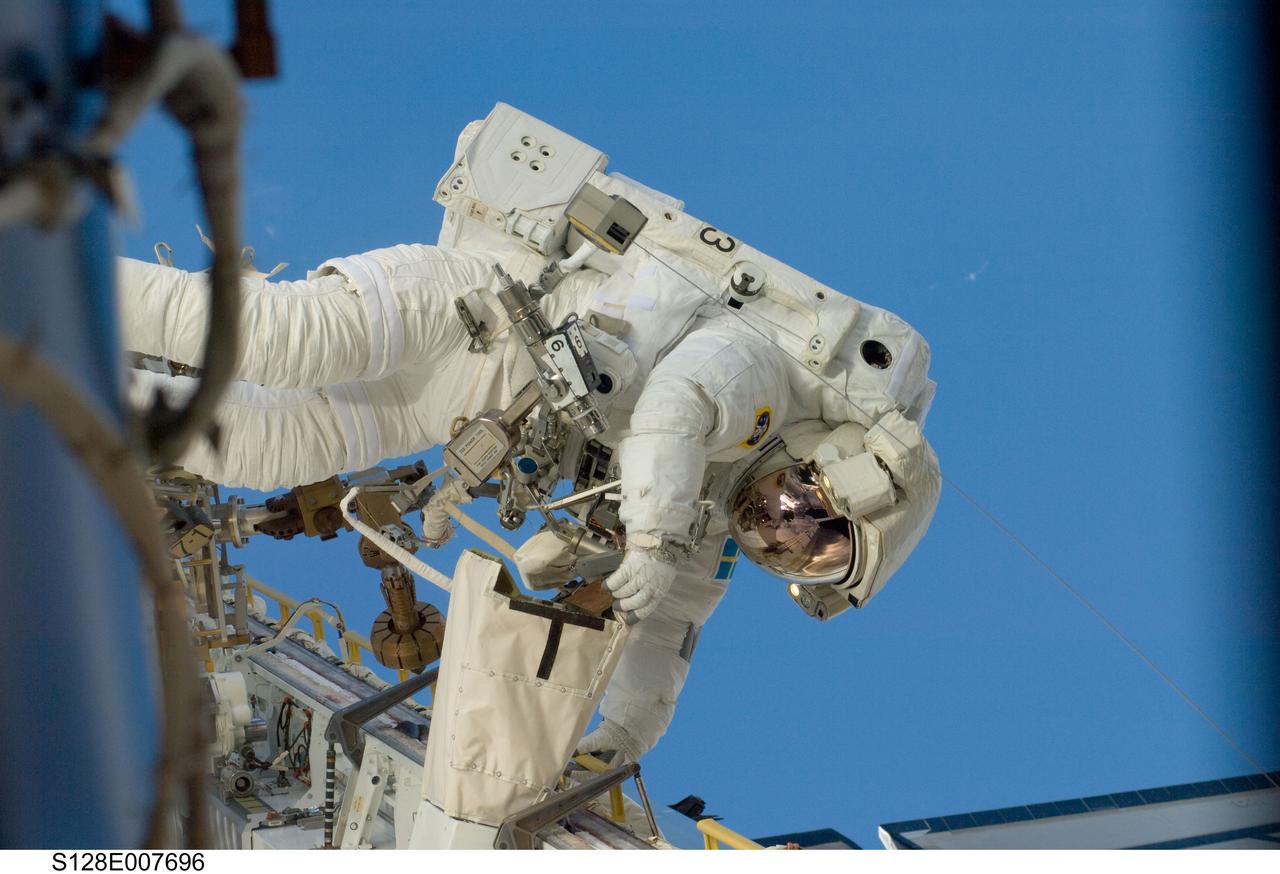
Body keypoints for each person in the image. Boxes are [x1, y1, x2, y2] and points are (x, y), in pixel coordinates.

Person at [120, 105, 941, 763]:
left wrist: (612, 749)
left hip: (455, 413)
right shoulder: (761, 381)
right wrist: (650, 542)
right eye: (810, 515)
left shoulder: (701, 525)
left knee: (267, 446)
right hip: (476, 317)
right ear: (829, 463)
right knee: (277, 338)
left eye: (801, 554)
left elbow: (663, 642)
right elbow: (677, 406)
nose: (782, 529)